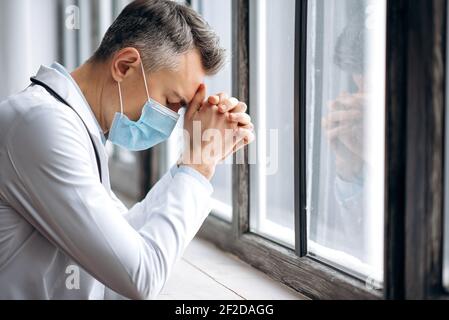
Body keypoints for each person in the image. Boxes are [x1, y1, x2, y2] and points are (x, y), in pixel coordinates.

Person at [0, 0, 254, 299]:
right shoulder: (43, 125)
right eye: (172, 100)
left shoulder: (75, 125)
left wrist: (192, 163)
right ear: (125, 66)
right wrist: (198, 167)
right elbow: (140, 277)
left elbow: (121, 239)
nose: (175, 118)